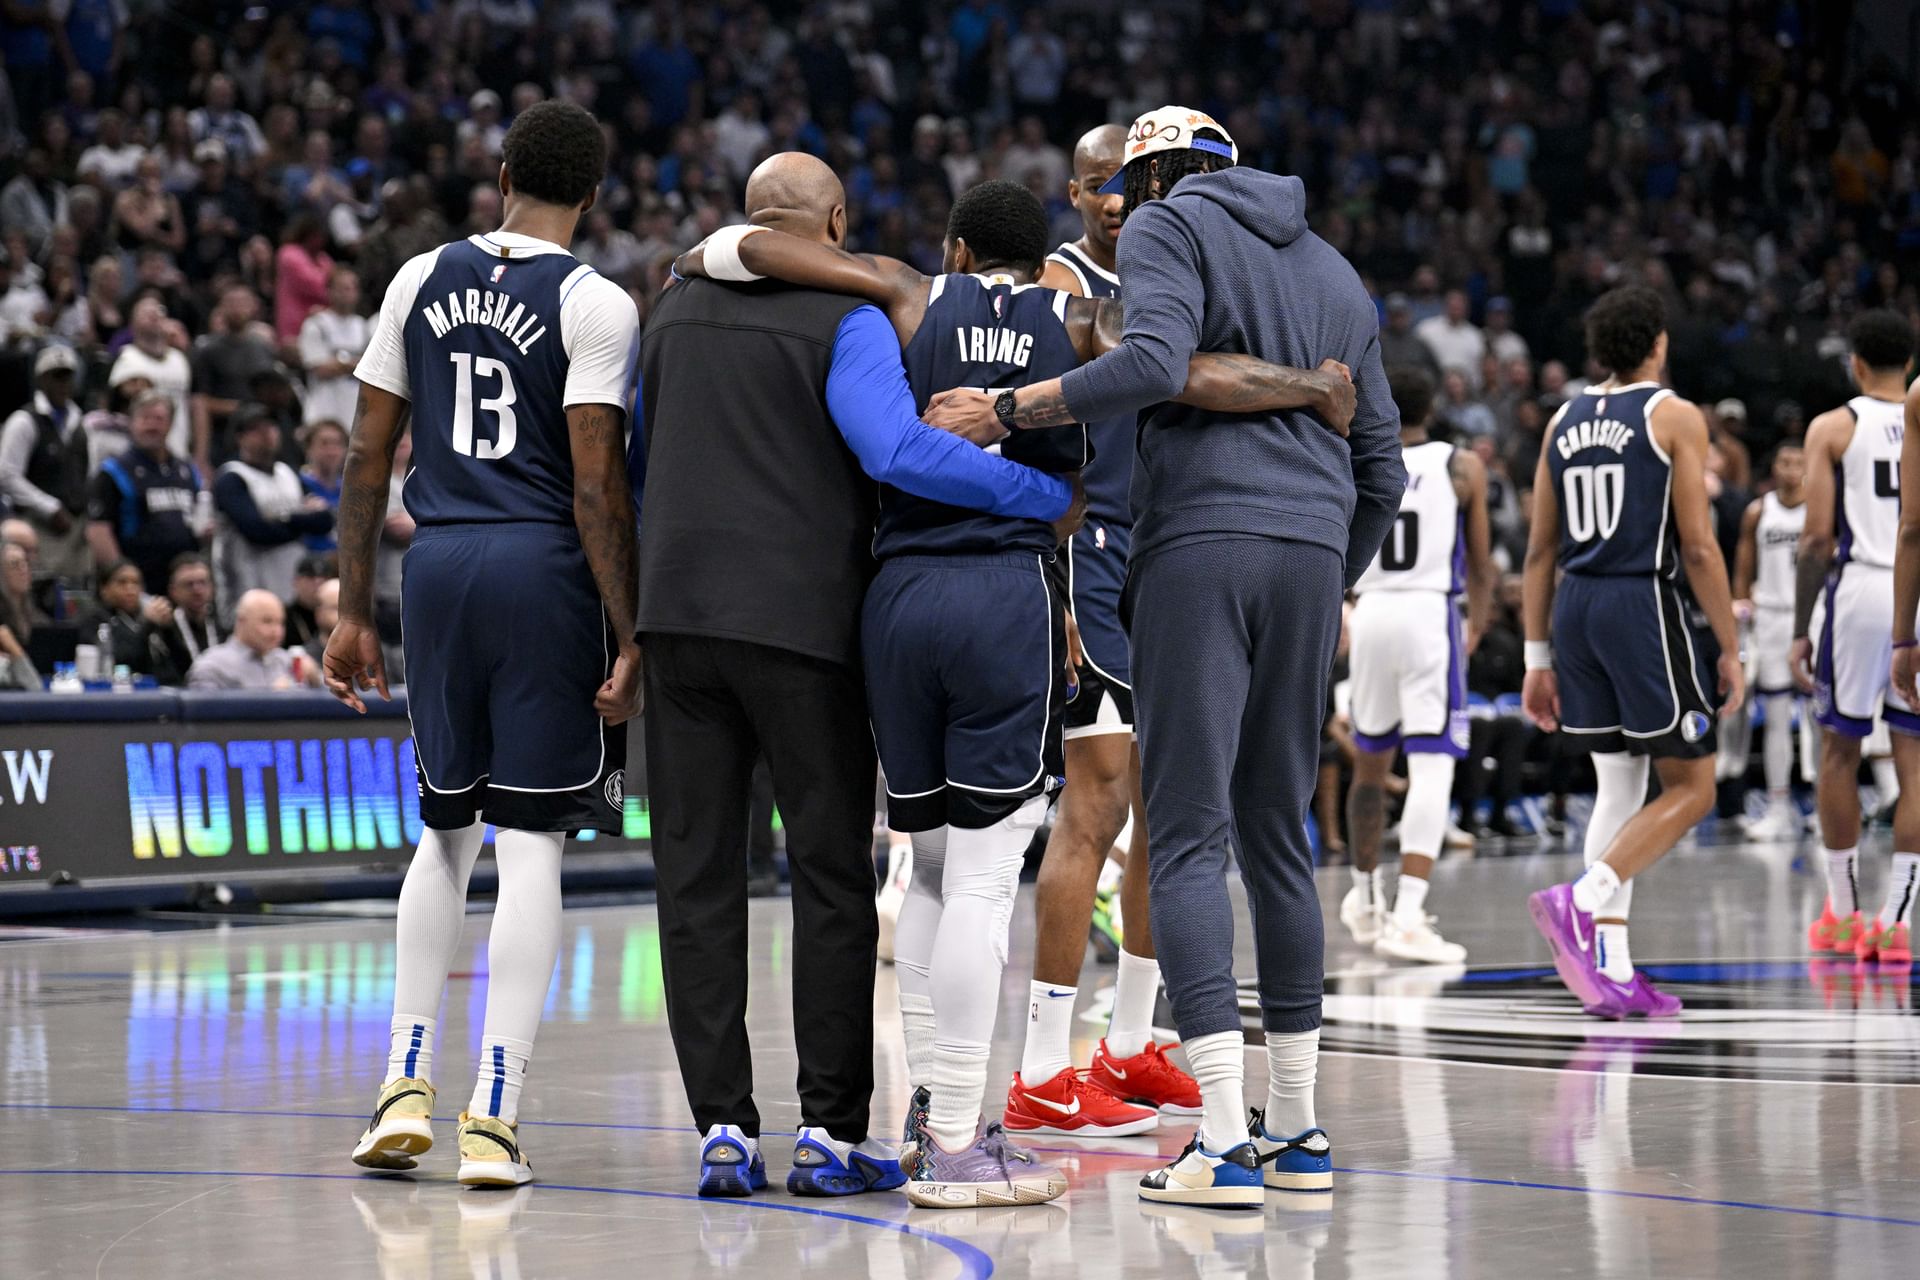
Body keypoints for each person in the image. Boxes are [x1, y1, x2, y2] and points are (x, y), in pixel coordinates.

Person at [676, 172, 1354, 1194]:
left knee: (927, 869)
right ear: (1042, 262)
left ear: (954, 251)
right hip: (1006, 594)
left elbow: (766, 247)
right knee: (988, 877)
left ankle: (925, 1113)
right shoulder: (1077, 320)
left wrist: (700, 254)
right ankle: (957, 1133)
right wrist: (1308, 386)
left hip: (897, 598)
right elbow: (1190, 374)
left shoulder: (905, 294)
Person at [922, 107, 1404, 1207]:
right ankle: (1298, 1128)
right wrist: (1328, 568)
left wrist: (1006, 408)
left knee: (1184, 834)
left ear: (1150, 178)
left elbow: (1150, 362)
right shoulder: (1336, 269)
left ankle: (1222, 1140)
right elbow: (1380, 466)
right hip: (1311, 556)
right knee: (1280, 837)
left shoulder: (1166, 224)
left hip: (1201, 546)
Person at [637, 153, 1070, 1206]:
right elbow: (897, 453)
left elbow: (639, 457)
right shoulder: (851, 317)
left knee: (695, 879)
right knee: (831, 879)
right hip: (805, 623)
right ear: (834, 221)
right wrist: (1037, 491)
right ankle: (830, 1131)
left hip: (677, 616)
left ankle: (723, 1129)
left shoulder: (669, 312)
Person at [327, 100, 643, 1191]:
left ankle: (400, 1082)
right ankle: (494, 1115)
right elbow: (597, 483)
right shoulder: (596, 300)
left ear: (501, 173)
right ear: (592, 195)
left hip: (440, 565)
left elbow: (366, 456)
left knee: (444, 830)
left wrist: (353, 608)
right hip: (543, 567)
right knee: (533, 843)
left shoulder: (418, 278)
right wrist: (630, 629)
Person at [1025, 123, 1200, 1125]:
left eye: (1130, 183)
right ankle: (1043, 1069)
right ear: (1078, 195)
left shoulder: (1176, 267)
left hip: (1164, 554)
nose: (1118, 200)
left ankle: (1130, 1044)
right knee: (1093, 805)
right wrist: (1052, 581)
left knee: (1164, 812)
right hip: (1092, 556)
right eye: (1100, 185)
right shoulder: (1065, 285)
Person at [1523, 285, 1743, 1018]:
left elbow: (1539, 550)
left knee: (1619, 786)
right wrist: (1731, 647)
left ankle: (1612, 971)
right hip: (1639, 601)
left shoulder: (1561, 420)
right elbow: (1700, 546)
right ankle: (1582, 899)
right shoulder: (1673, 414)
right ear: (1658, 343)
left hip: (1576, 605)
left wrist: (1536, 658)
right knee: (1695, 786)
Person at [1341, 368, 1494, 964]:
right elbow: (1481, 562)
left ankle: (1364, 899)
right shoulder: (1462, 466)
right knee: (1433, 766)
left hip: (1371, 611)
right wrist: (1475, 626)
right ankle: (1407, 916)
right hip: (1429, 614)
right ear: (1432, 408)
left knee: (1370, 765)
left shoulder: (1357, 457)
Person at [1793, 311, 1918, 968]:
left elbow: (1816, 537)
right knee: (1914, 761)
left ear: (1856, 364)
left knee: (1838, 754)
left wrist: (1799, 628)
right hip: (1917, 588)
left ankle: (1842, 914)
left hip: (1862, 588)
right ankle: (1895, 923)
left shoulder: (1834, 427)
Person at [1730, 443, 1807, 842]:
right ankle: (1778, 807)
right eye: (1784, 461)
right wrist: (1741, 602)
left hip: (1814, 616)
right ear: (1774, 467)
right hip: (1772, 617)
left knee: (1821, 719)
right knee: (1776, 716)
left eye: (1798, 462)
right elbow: (1744, 566)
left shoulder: (1822, 507)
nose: (1791, 469)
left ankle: (1824, 807)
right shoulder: (1759, 511)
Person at [212, 407, 334, 613]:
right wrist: (301, 520)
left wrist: (284, 519)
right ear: (240, 437)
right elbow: (257, 531)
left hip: (291, 581)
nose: (266, 433)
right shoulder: (231, 477)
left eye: (271, 426)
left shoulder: (287, 473)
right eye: (256, 429)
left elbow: (324, 521)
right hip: (249, 583)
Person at [86, 389, 205, 595]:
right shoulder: (114, 471)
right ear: (131, 422)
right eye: (145, 418)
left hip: (184, 584)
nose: (152, 425)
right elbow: (98, 531)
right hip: (139, 583)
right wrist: (125, 582)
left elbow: (200, 519)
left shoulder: (187, 470)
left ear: (170, 424)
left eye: (159, 419)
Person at [0, 343, 90, 580]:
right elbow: (7, 475)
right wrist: (48, 507)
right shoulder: (24, 421)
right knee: (43, 584)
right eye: (56, 377)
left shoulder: (79, 421)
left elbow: (85, 471)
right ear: (41, 380)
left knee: (78, 587)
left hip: (76, 523)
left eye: (67, 377)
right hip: (39, 525)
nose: (63, 384)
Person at [107, 297, 193, 458]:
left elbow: (188, 405)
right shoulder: (128, 358)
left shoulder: (179, 359)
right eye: (146, 313)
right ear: (132, 325)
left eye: (158, 312)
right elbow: (115, 410)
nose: (154, 315)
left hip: (178, 450)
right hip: (140, 453)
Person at [187, 588, 317, 690]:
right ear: (241, 621)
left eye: (280, 623)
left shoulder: (287, 662)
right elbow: (204, 714)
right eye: (267, 621)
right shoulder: (212, 667)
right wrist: (272, 700)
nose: (276, 631)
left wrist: (315, 678)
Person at [298, 266, 368, 429]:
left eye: (352, 288)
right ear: (329, 291)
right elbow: (321, 369)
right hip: (323, 409)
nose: (348, 293)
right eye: (343, 288)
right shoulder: (315, 324)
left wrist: (339, 362)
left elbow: (374, 369)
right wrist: (357, 364)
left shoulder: (363, 326)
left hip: (354, 410)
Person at [76, 558, 164, 676]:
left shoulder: (148, 616)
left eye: (136, 583)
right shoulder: (95, 620)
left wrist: (167, 629)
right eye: (122, 582)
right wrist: (147, 625)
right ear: (104, 588)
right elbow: (122, 659)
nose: (130, 589)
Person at [151, 552, 223, 685]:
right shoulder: (164, 629)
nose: (197, 590)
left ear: (212, 587)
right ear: (173, 591)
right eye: (189, 584)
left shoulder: (224, 626)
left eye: (202, 583)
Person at [297, 419, 348, 550]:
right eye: (324, 443)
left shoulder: (350, 490)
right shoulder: (297, 484)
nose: (332, 451)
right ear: (309, 449)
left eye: (337, 444)